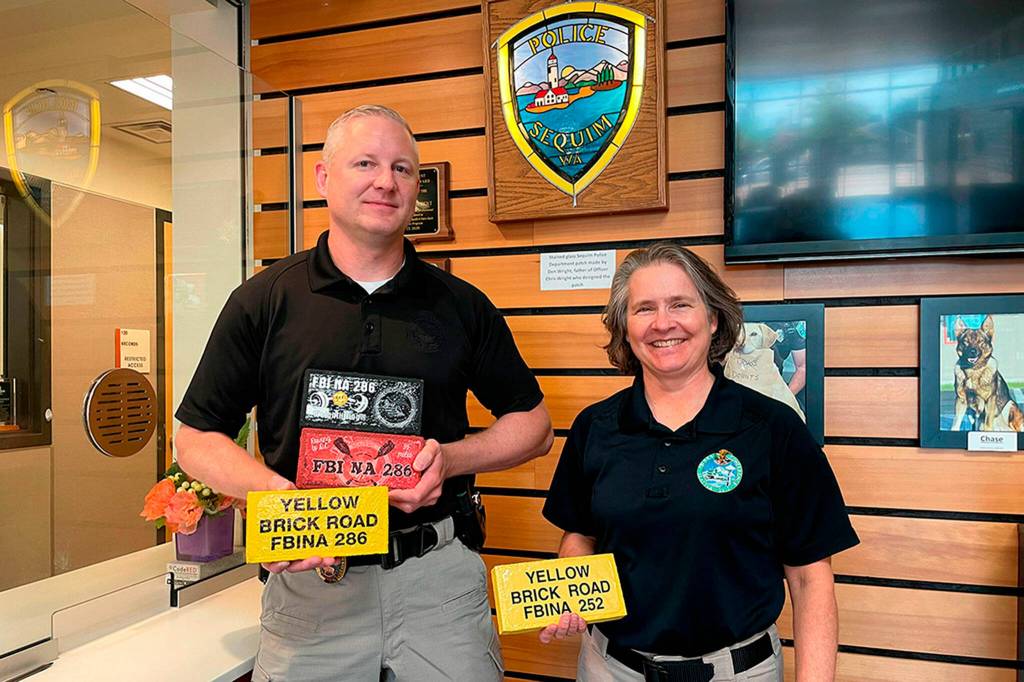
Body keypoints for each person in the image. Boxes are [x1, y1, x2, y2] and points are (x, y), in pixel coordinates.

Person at [174, 105, 553, 681]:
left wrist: (450, 457)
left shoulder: (462, 305)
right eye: (366, 163)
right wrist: (281, 500)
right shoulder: (262, 300)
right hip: (308, 591)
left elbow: (534, 425)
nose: (385, 181)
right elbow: (196, 438)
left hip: (439, 588)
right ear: (324, 178)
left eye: (402, 169)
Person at [540, 243, 858, 681]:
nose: (663, 323)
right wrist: (571, 587)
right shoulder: (596, 427)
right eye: (644, 309)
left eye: (680, 305)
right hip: (611, 669)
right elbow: (581, 534)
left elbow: (809, 579)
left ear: (712, 319)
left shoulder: (773, 429)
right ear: (625, 328)